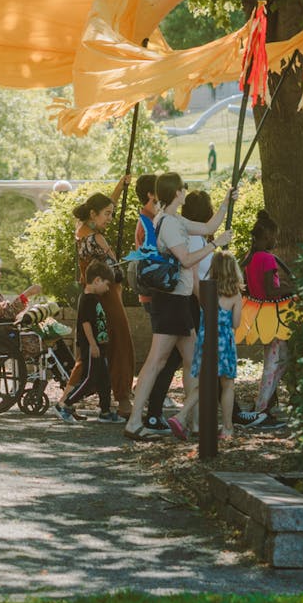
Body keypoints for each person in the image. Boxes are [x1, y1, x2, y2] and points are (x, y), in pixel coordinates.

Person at [126, 172, 229, 440]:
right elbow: (185, 260)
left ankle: (188, 421)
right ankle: (142, 421)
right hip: (172, 302)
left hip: (176, 302)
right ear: (176, 193)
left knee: (190, 362)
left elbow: (207, 227)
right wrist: (216, 246)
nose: (185, 191)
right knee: (160, 361)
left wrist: (227, 202)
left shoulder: (171, 219)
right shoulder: (170, 224)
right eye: (183, 188)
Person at [72, 186, 133, 421]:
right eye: (107, 214)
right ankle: (123, 397)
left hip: (94, 295)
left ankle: (69, 396)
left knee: (94, 352)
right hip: (108, 296)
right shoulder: (96, 238)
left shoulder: (82, 229)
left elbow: (107, 203)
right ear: (94, 214)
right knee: (121, 344)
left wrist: (120, 184)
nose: (110, 218)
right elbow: (114, 271)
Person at [130, 173, 180, 436]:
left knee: (167, 357)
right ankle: (153, 408)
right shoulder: (147, 223)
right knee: (164, 357)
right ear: (152, 196)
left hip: (157, 295)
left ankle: (153, 407)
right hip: (157, 295)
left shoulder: (150, 220)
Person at [238, 209, 289, 427]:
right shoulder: (267, 258)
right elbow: (271, 290)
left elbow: (251, 289)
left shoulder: (249, 258)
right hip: (274, 315)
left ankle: (265, 403)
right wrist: (292, 289)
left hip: (259, 314)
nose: (276, 241)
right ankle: (262, 409)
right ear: (267, 237)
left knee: (275, 359)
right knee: (276, 362)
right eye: (274, 237)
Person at [189, 248, 244, 441]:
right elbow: (236, 324)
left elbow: (195, 288)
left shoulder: (206, 290)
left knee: (205, 382)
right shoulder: (235, 294)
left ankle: (185, 417)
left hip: (205, 340)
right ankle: (227, 427)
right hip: (224, 342)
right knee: (227, 385)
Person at [60, 262, 117, 423]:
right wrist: (92, 344)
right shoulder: (87, 299)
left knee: (105, 381)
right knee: (90, 379)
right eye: (107, 285)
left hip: (100, 346)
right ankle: (66, 404)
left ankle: (105, 411)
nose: (107, 289)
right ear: (97, 280)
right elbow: (85, 323)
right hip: (93, 347)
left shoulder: (95, 298)